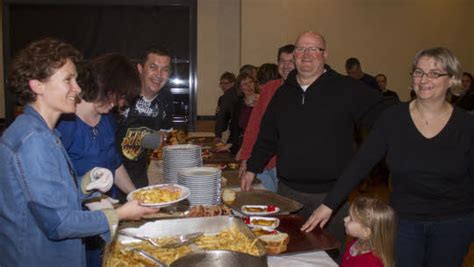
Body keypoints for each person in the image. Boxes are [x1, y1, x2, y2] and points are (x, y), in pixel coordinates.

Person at [303, 47, 474, 267]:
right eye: (419, 72)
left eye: (434, 73)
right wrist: (328, 204)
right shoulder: (393, 118)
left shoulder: (466, 125)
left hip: (454, 222)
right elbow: (361, 162)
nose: (423, 79)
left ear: (452, 80)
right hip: (406, 221)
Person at [0, 38, 157, 267]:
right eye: (68, 80)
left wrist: (85, 183)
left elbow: (52, 197)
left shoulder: (43, 132)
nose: (78, 88)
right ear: (38, 86)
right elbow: (59, 223)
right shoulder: (33, 140)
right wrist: (121, 214)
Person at [241, 31, 395, 261]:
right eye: (301, 49)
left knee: (329, 256)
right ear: (294, 55)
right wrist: (253, 166)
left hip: (332, 198)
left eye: (314, 48)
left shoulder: (345, 88)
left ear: (325, 54)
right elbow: (268, 136)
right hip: (288, 194)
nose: (307, 54)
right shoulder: (283, 93)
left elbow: (385, 113)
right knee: (289, 255)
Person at [56, 53, 140, 267]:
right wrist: (92, 199)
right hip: (79, 220)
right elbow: (59, 185)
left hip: (107, 213)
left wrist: (134, 194)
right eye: (117, 97)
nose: (119, 105)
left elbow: (114, 162)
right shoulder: (65, 123)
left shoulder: (107, 121)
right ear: (103, 84)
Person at [239, 44, 295, 192]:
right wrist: (246, 157)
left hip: (287, 165)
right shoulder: (270, 88)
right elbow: (254, 125)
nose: (286, 66)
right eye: (282, 61)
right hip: (261, 161)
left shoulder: (304, 92)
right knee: (266, 205)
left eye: (291, 62)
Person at [116, 46, 174, 190]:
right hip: (111, 176)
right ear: (140, 69)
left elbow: (165, 133)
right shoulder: (123, 94)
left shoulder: (166, 99)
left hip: (139, 175)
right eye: (153, 67)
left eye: (165, 69)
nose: (159, 75)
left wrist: (158, 138)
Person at [341, 197, 395, 267]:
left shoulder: (370, 263)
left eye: (351, 219)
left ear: (366, 232)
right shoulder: (356, 243)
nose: (345, 219)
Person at [217, 72, 259, 155]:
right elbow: (235, 129)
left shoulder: (263, 101)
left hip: (258, 145)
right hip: (240, 144)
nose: (248, 86)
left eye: (250, 82)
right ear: (240, 88)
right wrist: (229, 145)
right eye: (245, 84)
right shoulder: (238, 105)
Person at [214, 71, 238, 141]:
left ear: (233, 83)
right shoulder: (223, 97)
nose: (222, 86)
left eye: (225, 83)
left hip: (228, 132)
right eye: (221, 83)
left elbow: (221, 116)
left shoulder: (227, 97)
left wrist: (218, 134)